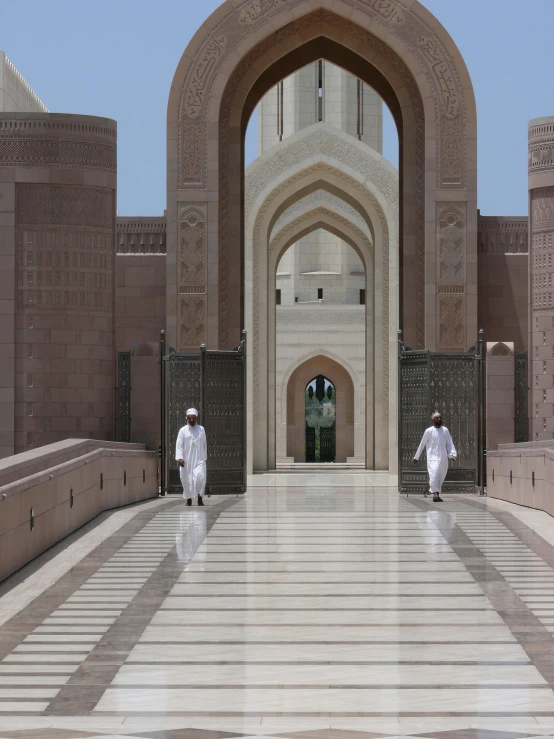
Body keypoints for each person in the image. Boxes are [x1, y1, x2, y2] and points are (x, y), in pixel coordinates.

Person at [413, 411, 457, 503]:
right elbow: (422, 444)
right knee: (434, 474)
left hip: (443, 458)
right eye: (437, 418)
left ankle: (436, 492)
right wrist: (416, 457)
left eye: (440, 417)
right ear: (433, 420)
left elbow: (449, 443)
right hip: (432, 458)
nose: (439, 419)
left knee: (441, 475)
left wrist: (452, 454)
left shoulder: (445, 430)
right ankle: (435, 494)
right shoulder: (428, 431)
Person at [175, 408, 207, 506]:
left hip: (199, 459)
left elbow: (204, 444)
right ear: (187, 418)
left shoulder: (201, 429)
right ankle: (189, 499)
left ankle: (200, 498)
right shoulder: (183, 430)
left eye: (193, 418)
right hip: (187, 460)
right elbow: (179, 444)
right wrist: (180, 458)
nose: (192, 420)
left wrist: (204, 457)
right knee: (186, 479)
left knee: (200, 478)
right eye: (190, 418)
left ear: (196, 418)